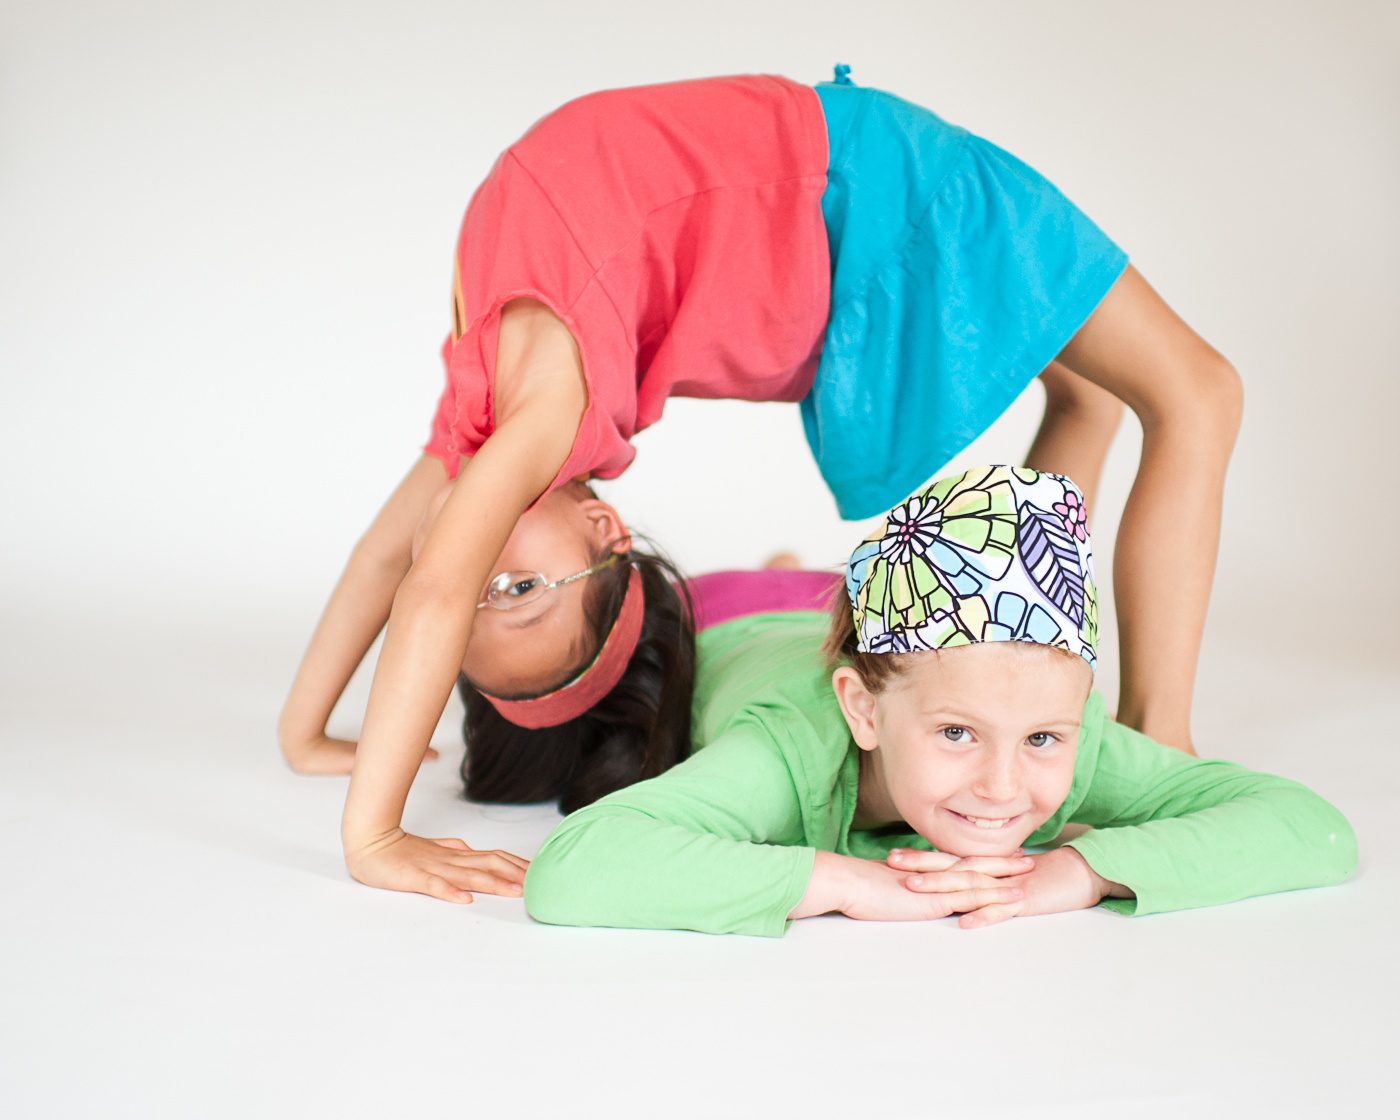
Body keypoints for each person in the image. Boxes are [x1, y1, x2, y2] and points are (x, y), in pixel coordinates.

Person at [277, 69, 1242, 905]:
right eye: (513, 597)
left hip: (857, 181)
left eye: (489, 597)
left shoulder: (501, 413)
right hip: (830, 220)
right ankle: (1119, 718)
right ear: (599, 528)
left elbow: (404, 573)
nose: (473, 566)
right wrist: (331, 759)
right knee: (1150, 393)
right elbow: (419, 583)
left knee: (1165, 394)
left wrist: (336, 777)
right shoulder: (536, 421)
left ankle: (1144, 727)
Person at [523, 468, 1354, 935]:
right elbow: (573, 870)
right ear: (863, 710)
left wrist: (1081, 871)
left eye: (1041, 740)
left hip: (844, 606)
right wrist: (847, 882)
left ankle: (805, 570)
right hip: (725, 613)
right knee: (759, 595)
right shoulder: (787, 749)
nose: (1003, 787)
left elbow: (1313, 828)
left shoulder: (1064, 722)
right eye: (958, 732)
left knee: (831, 591)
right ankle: (779, 562)